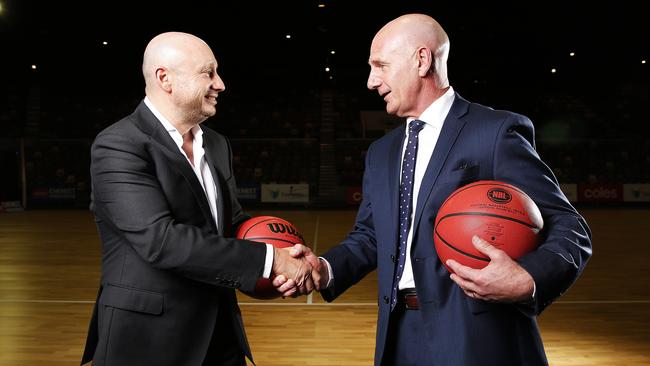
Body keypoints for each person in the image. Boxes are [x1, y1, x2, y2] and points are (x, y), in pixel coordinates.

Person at [285, 14, 592, 365]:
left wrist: (528, 278)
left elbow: (569, 227)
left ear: (421, 60)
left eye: (380, 65)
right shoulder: (381, 152)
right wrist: (325, 268)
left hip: (477, 336)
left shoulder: (494, 131)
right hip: (397, 336)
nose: (371, 81)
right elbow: (370, 237)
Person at [80, 32, 314, 366]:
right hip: (147, 341)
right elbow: (160, 240)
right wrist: (271, 260)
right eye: (208, 73)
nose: (220, 84)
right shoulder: (119, 145)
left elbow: (231, 227)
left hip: (219, 335)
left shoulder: (217, 144)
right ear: (165, 79)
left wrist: (283, 262)